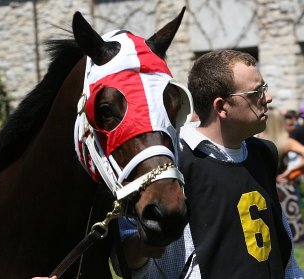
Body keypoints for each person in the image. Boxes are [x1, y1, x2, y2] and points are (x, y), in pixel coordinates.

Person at [115, 50, 304, 278]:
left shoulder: (263, 153)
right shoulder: (172, 162)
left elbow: (283, 247)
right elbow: (129, 260)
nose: (268, 98)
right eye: (257, 92)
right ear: (222, 106)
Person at [258, 107, 304, 243]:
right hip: (284, 187)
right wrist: (289, 172)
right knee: (288, 229)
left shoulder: (259, 140)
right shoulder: (287, 142)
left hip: (264, 185)